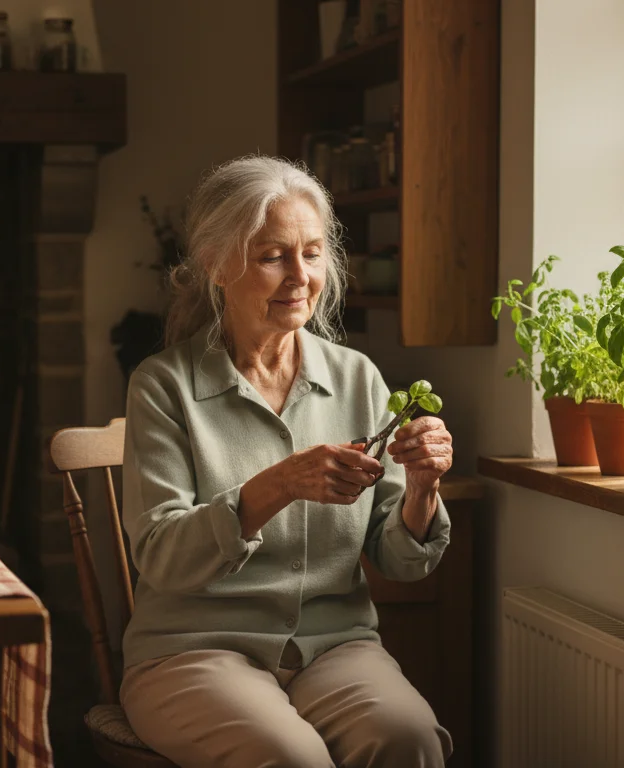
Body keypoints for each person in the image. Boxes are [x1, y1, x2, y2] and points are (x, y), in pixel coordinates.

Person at [120, 155, 455, 768]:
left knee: (409, 736)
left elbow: (401, 562)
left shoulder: (358, 378)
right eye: (273, 256)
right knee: (292, 757)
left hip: (335, 648)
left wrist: (422, 489)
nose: (300, 276)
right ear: (219, 265)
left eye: (312, 252)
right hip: (192, 651)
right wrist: (277, 485)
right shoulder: (161, 386)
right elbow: (161, 555)